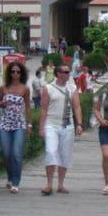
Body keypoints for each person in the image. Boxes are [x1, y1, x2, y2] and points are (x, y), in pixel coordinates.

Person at [38, 63, 83, 195]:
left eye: (69, 71)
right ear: (58, 74)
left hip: (67, 125)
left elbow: (77, 107)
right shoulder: (48, 88)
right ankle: (49, 184)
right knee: (51, 151)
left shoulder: (72, 88)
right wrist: (41, 128)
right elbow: (44, 109)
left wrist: (79, 124)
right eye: (66, 72)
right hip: (51, 124)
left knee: (65, 154)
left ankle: (61, 184)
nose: (69, 74)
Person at [0, 62, 34, 194]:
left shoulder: (25, 89)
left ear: (21, 73)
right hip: (5, 123)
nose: (15, 74)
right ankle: (10, 175)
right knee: (7, 153)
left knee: (16, 153)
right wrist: (2, 104)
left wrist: (29, 124)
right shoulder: (3, 87)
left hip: (19, 124)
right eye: (13, 72)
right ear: (9, 73)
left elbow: (28, 107)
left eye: (18, 72)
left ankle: (15, 182)